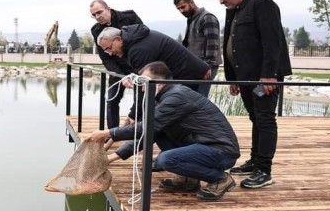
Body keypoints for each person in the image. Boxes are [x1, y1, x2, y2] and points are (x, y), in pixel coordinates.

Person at [86, 61, 240, 201]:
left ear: (159, 83)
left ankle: (220, 179)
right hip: (202, 144)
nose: (142, 88)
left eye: (144, 83)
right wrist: (110, 158)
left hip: (221, 151)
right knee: (160, 134)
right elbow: (148, 133)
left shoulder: (176, 97)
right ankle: (189, 179)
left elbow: (143, 127)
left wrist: (107, 133)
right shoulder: (164, 97)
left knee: (165, 160)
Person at [214, 0, 292, 189]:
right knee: (255, 118)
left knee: (265, 120)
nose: (221, 1)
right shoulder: (235, 11)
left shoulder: (262, 4)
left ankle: (264, 171)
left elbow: (272, 41)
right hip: (245, 77)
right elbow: (231, 46)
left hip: (263, 78)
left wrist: (269, 75)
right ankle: (255, 161)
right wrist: (233, 78)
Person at [96, 24, 210, 91]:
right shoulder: (134, 40)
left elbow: (144, 84)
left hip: (194, 76)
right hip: (189, 75)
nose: (110, 53)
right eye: (106, 51)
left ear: (118, 39)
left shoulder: (137, 50)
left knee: (191, 116)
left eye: (109, 48)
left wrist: (133, 115)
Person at [89, 0, 143, 129]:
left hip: (137, 65)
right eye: (94, 15)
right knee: (111, 99)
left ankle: (139, 131)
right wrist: (121, 76)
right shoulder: (96, 30)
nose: (97, 17)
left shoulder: (130, 17)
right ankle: (112, 133)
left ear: (108, 8)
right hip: (117, 68)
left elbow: (143, 38)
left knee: (141, 99)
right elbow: (105, 57)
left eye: (99, 12)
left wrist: (137, 70)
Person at [173, 0, 222, 97]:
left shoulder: (207, 18)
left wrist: (206, 67)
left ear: (191, 2)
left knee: (200, 98)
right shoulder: (192, 19)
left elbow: (212, 44)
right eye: (178, 9)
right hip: (195, 66)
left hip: (206, 67)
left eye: (183, 7)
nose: (181, 11)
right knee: (191, 98)